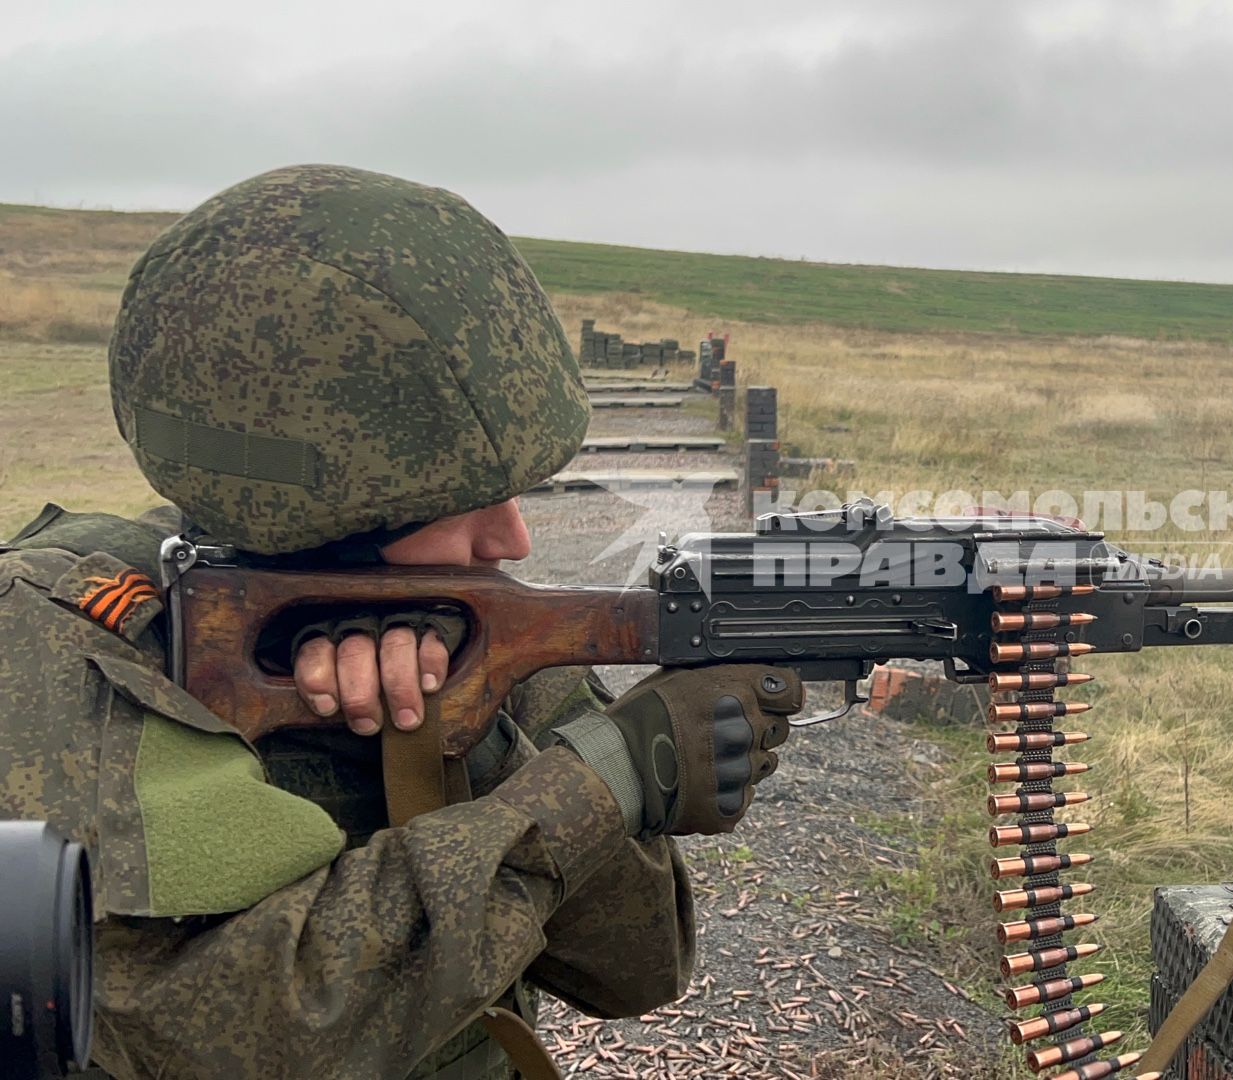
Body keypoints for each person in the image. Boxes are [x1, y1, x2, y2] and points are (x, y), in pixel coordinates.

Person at [0, 164, 802, 1079]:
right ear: (322, 513)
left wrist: (476, 741)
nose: (512, 535)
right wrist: (607, 779)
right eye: (462, 505)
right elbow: (211, 1032)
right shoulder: (66, 638)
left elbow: (638, 968)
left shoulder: (469, 623)